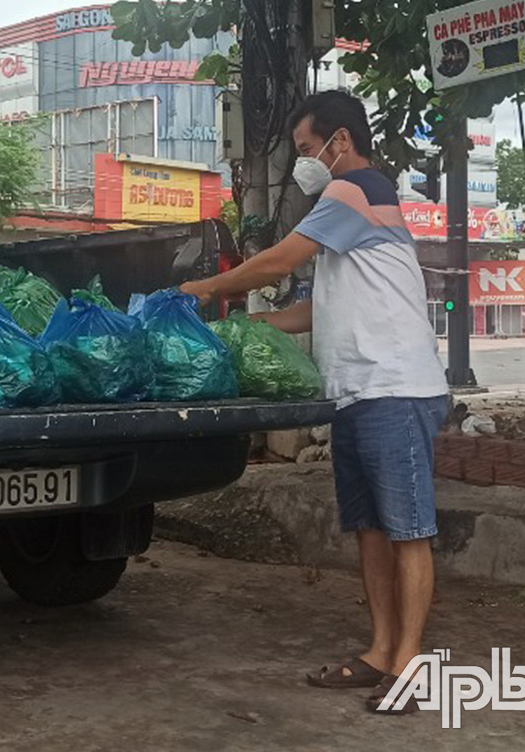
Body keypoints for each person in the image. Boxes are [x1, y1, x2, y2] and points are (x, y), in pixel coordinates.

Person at [180, 90, 450, 715]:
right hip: (357, 392)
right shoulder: (349, 217)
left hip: (395, 386)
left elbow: (277, 262)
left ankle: (409, 664)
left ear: (341, 142)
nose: (305, 162)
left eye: (307, 149)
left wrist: (204, 289)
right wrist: (250, 328)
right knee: (371, 530)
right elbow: (314, 309)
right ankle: (382, 651)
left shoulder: (356, 190)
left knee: (408, 532)